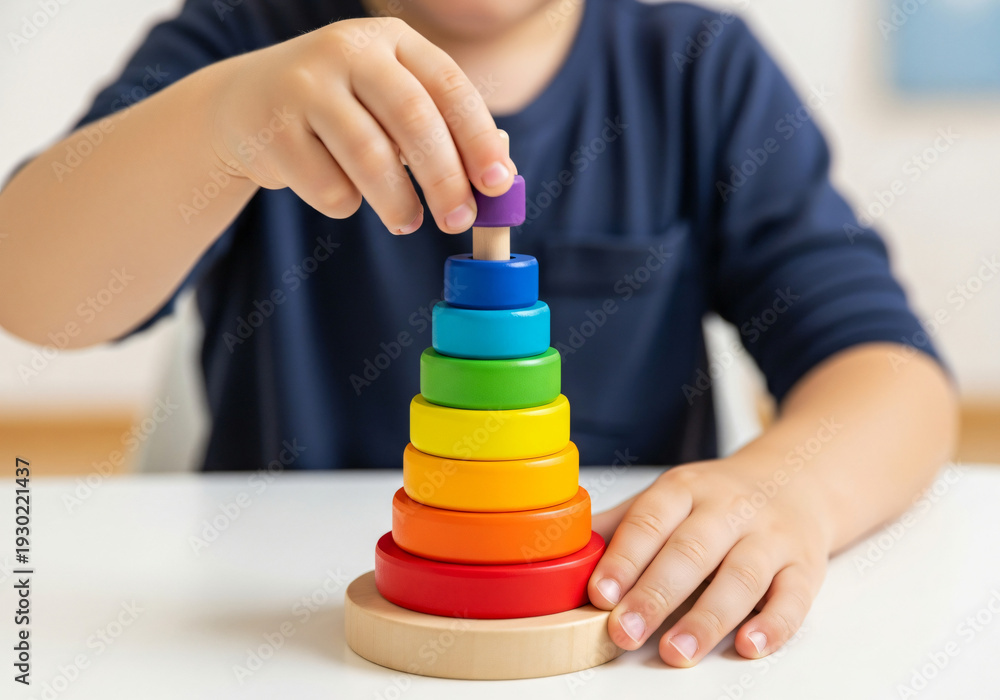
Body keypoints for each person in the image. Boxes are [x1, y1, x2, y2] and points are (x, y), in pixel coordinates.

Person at [0, 0, 956, 668]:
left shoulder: (701, 74)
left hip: (608, 624)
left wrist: (788, 488)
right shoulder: (244, 41)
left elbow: (889, 372)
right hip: (284, 644)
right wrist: (221, 125)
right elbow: (34, 293)